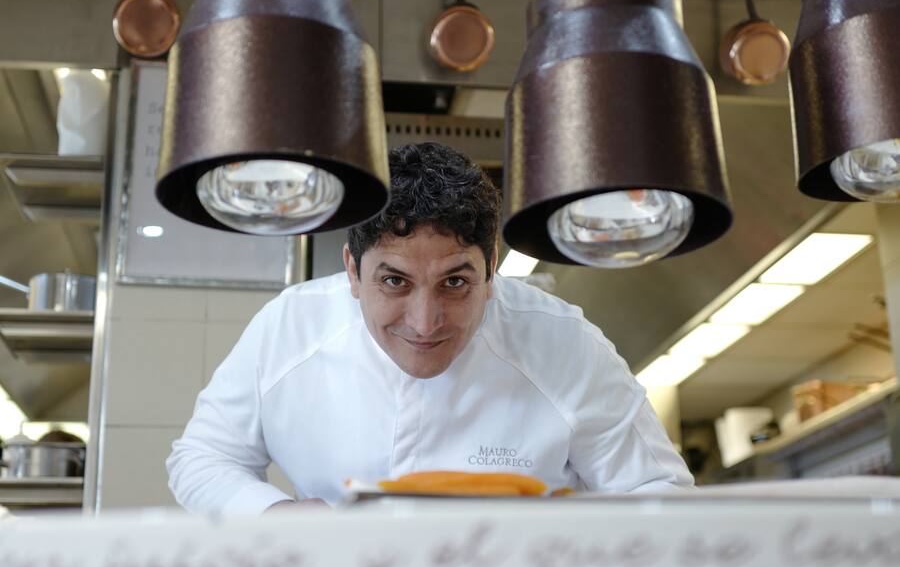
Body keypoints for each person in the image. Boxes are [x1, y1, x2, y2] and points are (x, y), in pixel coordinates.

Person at [166, 142, 693, 515]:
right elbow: (204, 457)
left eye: (455, 283)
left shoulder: (564, 345)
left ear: (491, 270)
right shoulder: (291, 327)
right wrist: (278, 515)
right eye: (394, 281)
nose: (424, 322)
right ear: (352, 271)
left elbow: (660, 493)